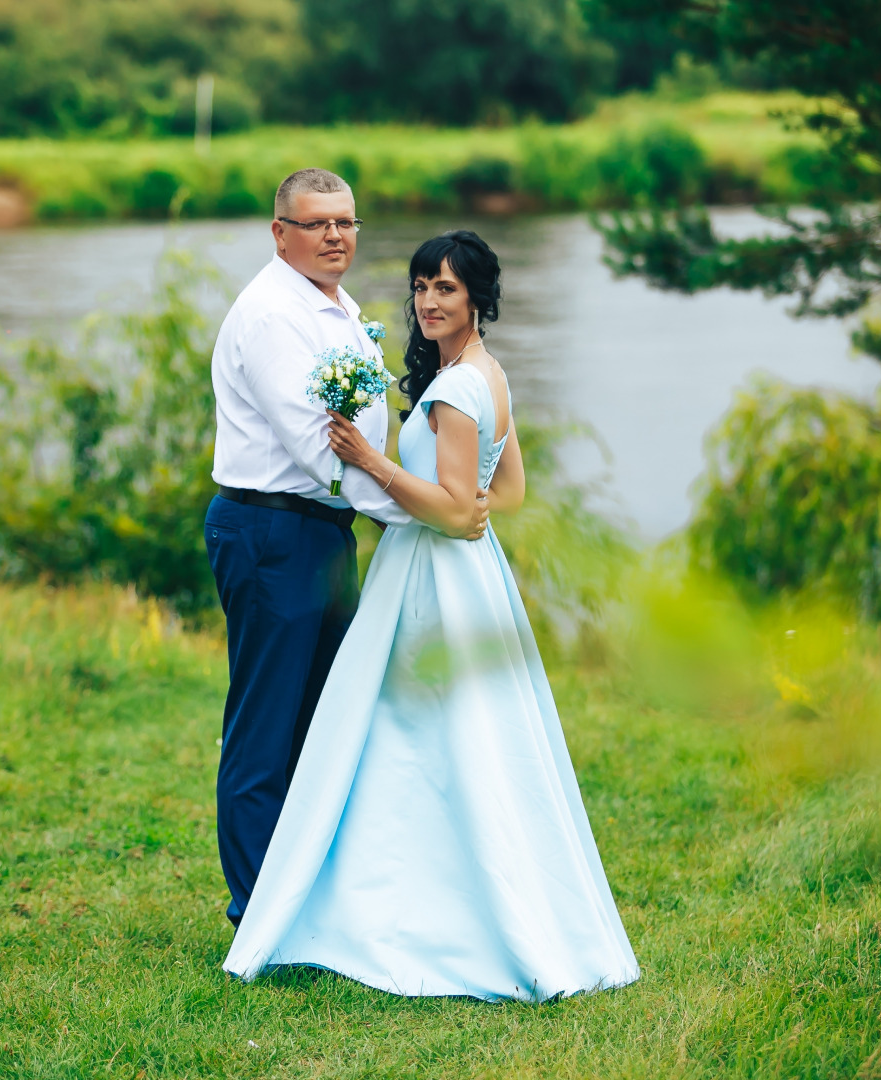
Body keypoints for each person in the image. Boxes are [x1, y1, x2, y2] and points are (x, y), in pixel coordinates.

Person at [222, 230, 640, 1001]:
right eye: (419, 287)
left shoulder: (452, 391)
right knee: (452, 737)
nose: (426, 302)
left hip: (431, 578)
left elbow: (454, 511)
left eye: (445, 289)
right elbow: (504, 494)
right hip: (471, 577)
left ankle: (410, 911)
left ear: (478, 296)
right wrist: (462, 506)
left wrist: (372, 462)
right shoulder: (488, 376)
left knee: (408, 735)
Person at [205, 170, 490, 928]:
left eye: (347, 222)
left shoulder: (337, 309)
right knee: (267, 725)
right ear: (280, 233)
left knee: (321, 717)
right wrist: (418, 516)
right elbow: (319, 451)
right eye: (317, 223)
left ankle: (308, 890)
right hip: (270, 528)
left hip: (321, 533)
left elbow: (361, 440)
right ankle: (258, 909)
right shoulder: (273, 317)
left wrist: (413, 501)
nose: (336, 236)